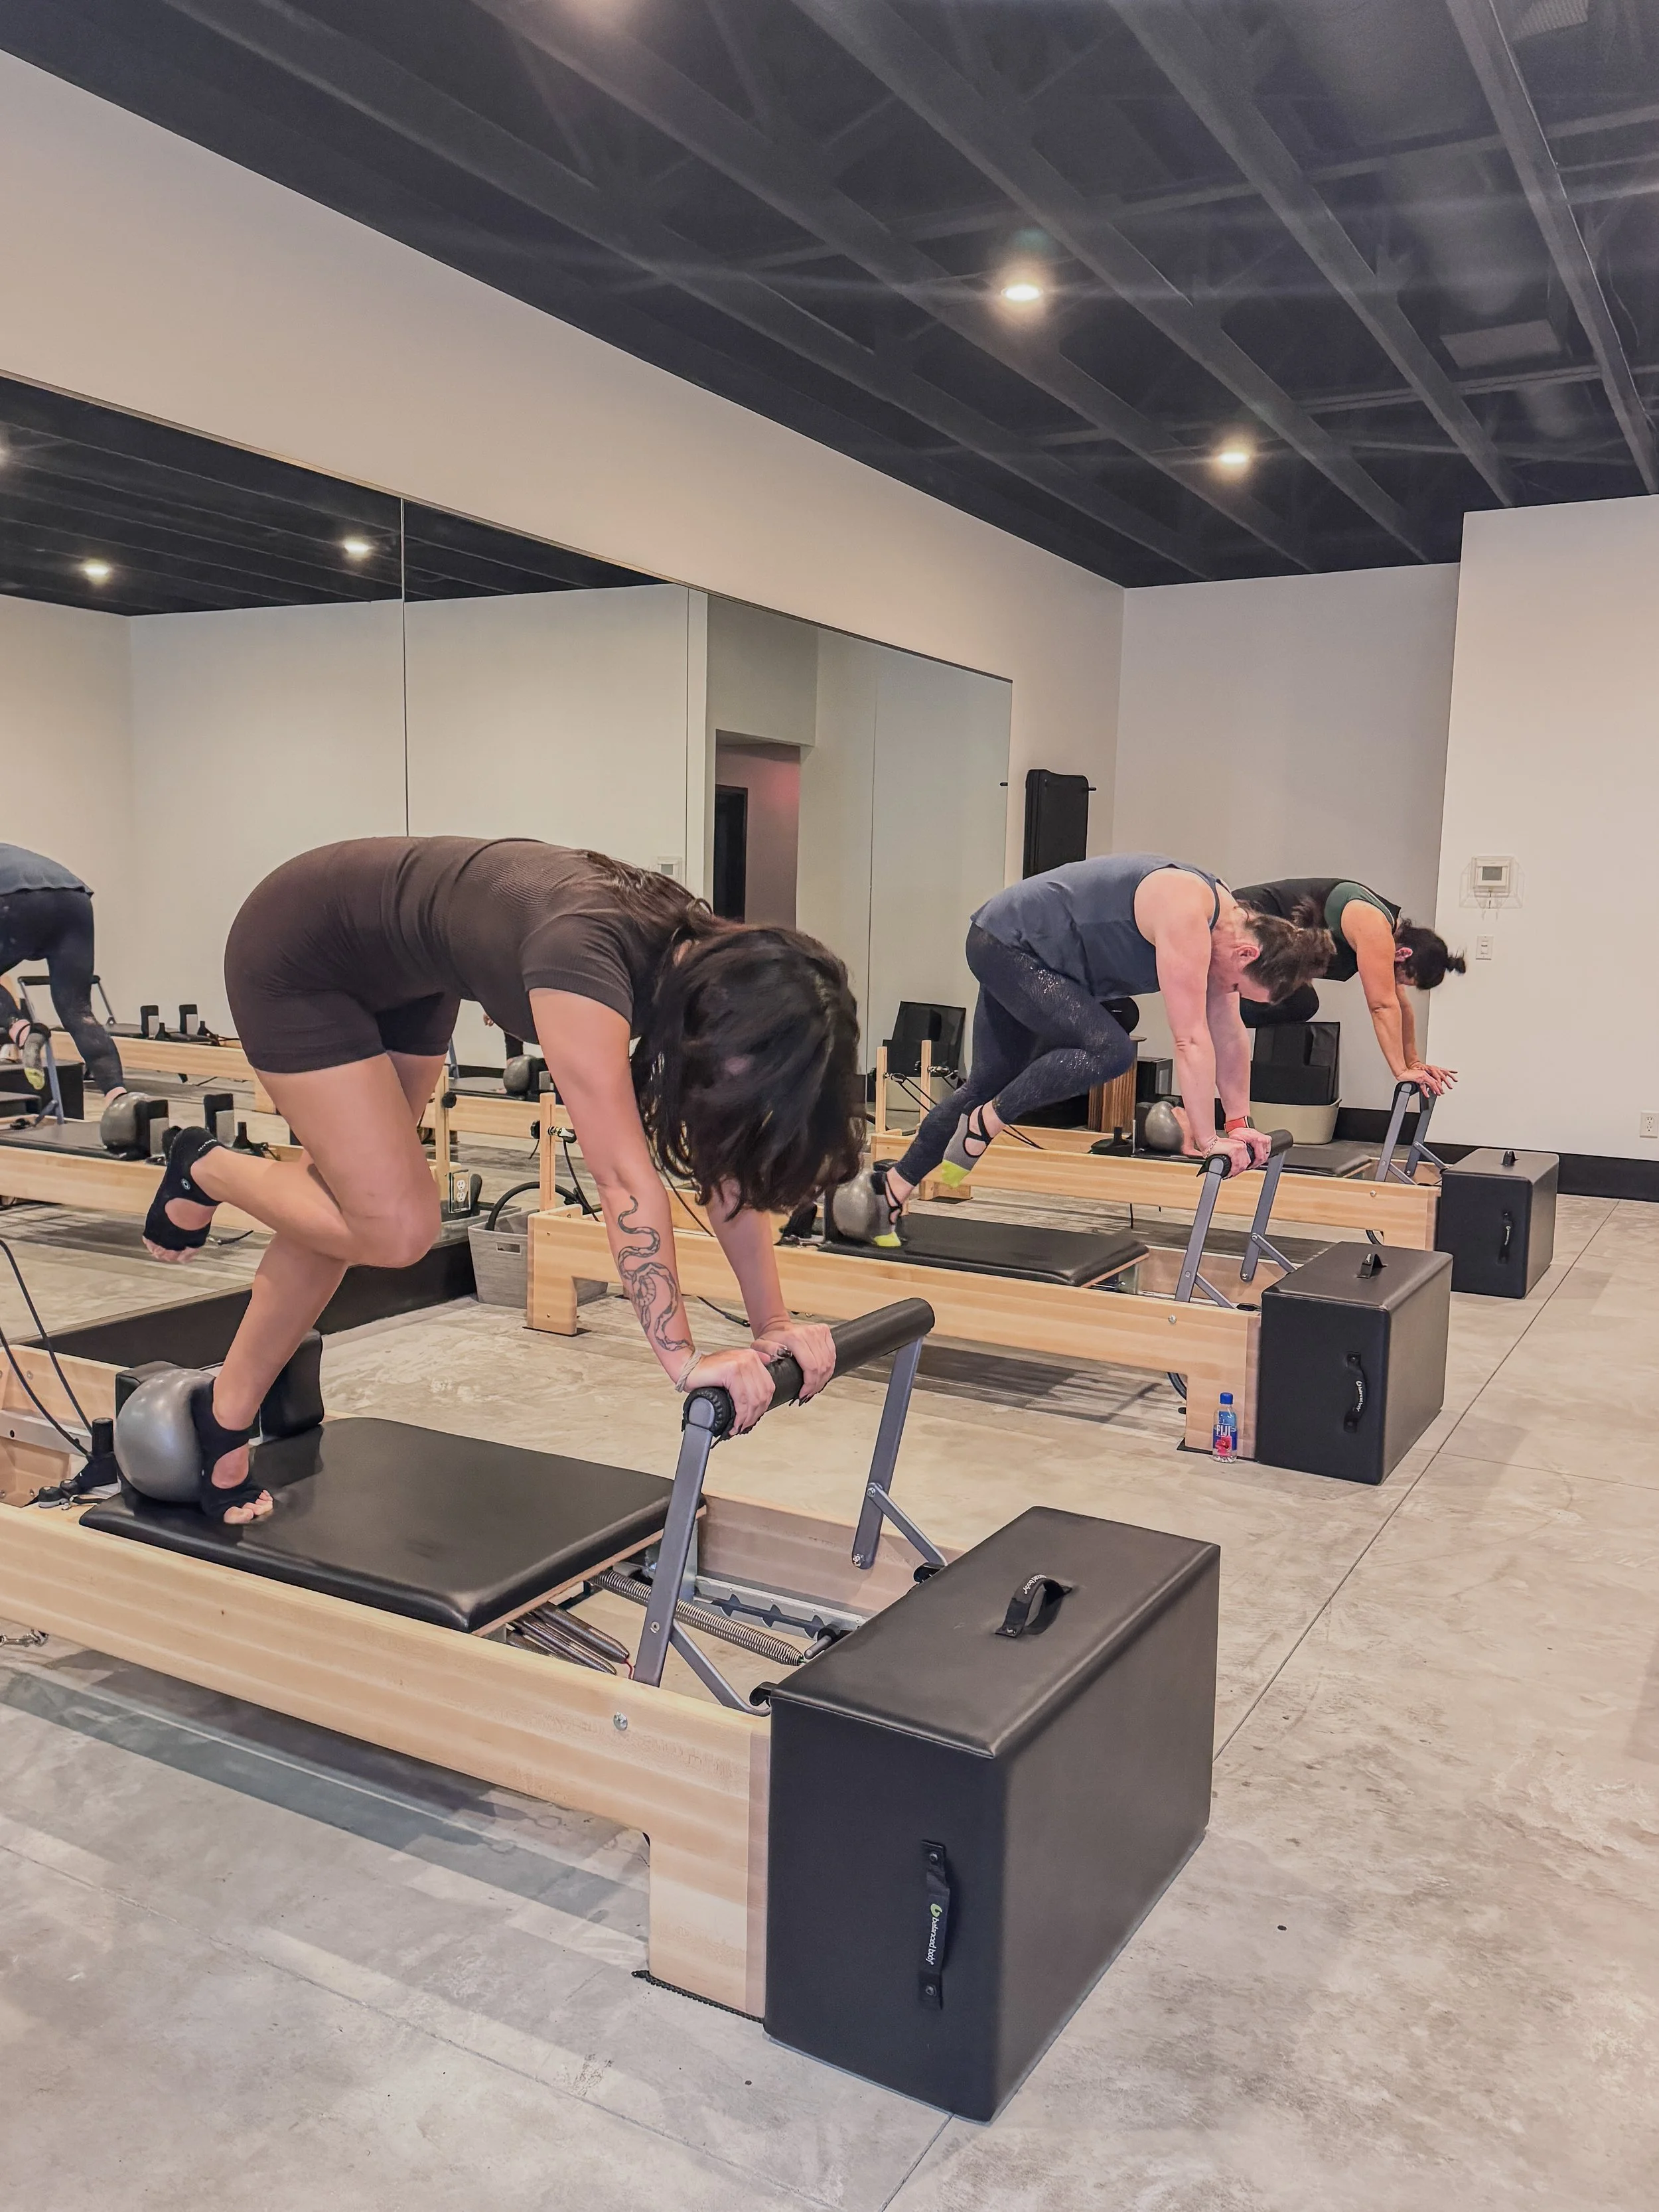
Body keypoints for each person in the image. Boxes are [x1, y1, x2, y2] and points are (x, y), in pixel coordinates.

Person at [140, 838, 863, 1526]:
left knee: (347, 1205)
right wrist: (683, 1363)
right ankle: (206, 1163)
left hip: (406, 977)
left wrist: (773, 1327)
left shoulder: (703, 973)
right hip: (299, 951)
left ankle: (221, 1421)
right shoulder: (586, 959)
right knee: (395, 1229)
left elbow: (726, 1166)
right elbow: (619, 1176)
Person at [853, 854, 1335, 1241]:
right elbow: (1190, 1038)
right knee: (1112, 1050)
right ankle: (987, 1122)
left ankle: (890, 1190)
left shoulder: (1230, 932)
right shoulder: (1191, 915)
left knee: (987, 1083)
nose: (1228, 990)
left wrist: (1239, 1124)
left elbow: (1229, 1037)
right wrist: (1208, 1140)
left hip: (1032, 955)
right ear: (1247, 955)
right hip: (1008, 943)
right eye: (1236, 983)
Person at [1231, 877, 1465, 1097]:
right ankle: (1212, 1015)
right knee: (1293, 999)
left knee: (1301, 1002)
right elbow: (1382, 1006)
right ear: (1404, 954)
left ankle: (1215, 1016)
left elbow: (1401, 1006)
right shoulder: (1374, 926)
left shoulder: (1389, 936)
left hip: (1266, 945)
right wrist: (1400, 1071)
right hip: (1244, 923)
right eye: (1404, 978)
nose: (1398, 984)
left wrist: (1414, 1062)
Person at [0, 843, 129, 1103]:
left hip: (14, 896)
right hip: (73, 897)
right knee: (79, 1011)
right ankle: (120, 1101)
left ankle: (23, 1031)